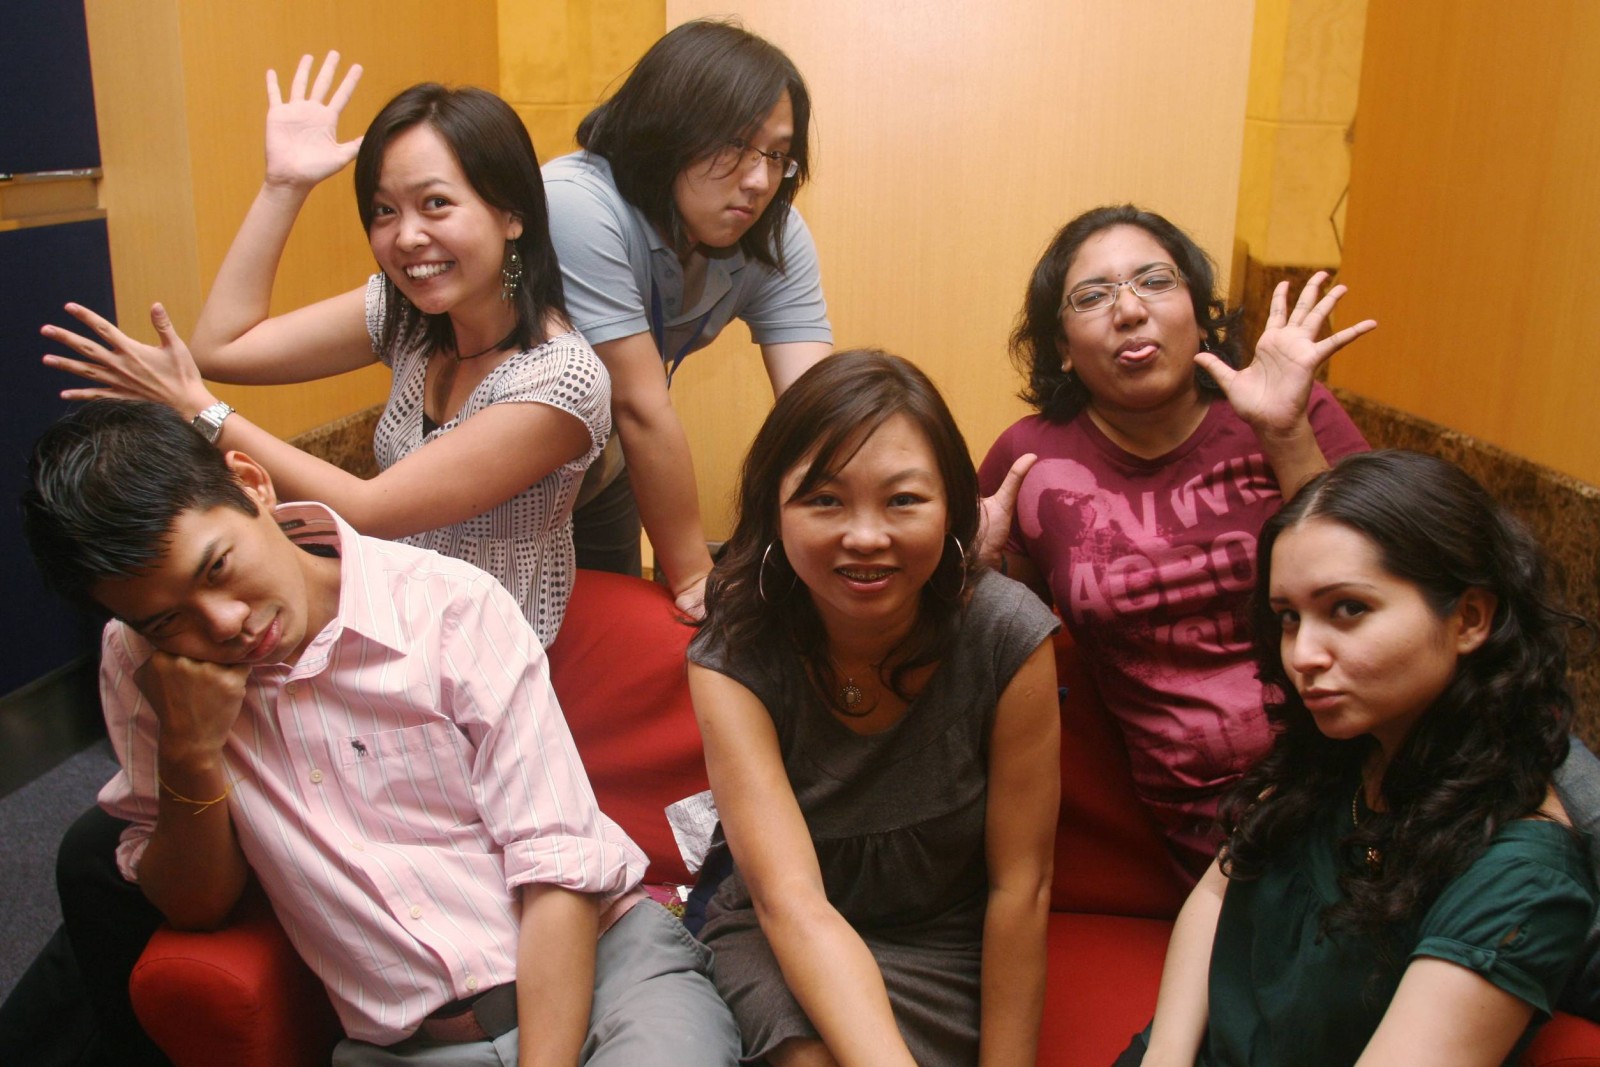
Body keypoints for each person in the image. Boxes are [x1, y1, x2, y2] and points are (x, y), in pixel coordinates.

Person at [20, 399, 740, 1066]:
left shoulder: (447, 606)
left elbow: (556, 862)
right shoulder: (142, 664)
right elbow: (195, 904)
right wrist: (188, 750)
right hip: (410, 1049)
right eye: (166, 618)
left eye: (217, 568)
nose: (224, 622)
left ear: (251, 483)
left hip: (610, 976)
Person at [45, 53, 608, 647]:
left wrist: (200, 410)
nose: (407, 237)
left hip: (478, 647)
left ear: (512, 215)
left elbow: (369, 509)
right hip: (388, 606)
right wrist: (283, 186)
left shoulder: (562, 380)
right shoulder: (411, 315)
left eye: (435, 203)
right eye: (384, 211)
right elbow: (223, 347)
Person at [1119, 449, 1597, 1066]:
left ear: (1470, 619)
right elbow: (1218, 894)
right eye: (1288, 618)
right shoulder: (1343, 753)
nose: (1303, 655)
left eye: (1348, 609)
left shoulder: (1521, 877)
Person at [977, 204, 1375, 877]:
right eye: (1092, 296)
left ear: (1199, 312)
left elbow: (1379, 587)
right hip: (1214, 817)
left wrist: (1284, 433)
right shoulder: (1030, 459)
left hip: (1358, 761)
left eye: (1156, 282)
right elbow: (994, 644)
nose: (1130, 311)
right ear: (1063, 347)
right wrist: (970, 576)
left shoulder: (1291, 409)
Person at [688, 351, 1061, 1064]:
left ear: (952, 507)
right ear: (773, 509)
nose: (865, 536)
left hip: (947, 945)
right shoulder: (735, 652)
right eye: (825, 500)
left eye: (904, 500)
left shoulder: (1007, 635)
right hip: (783, 934)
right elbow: (791, 901)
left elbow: (1023, 886)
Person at [543, 19, 833, 614]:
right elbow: (640, 406)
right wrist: (698, 579)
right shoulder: (576, 202)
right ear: (666, 129)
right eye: (735, 145)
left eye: (777, 155)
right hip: (501, 480)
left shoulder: (774, 233)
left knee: (612, 634)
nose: (759, 180)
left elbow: (816, 410)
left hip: (603, 465)